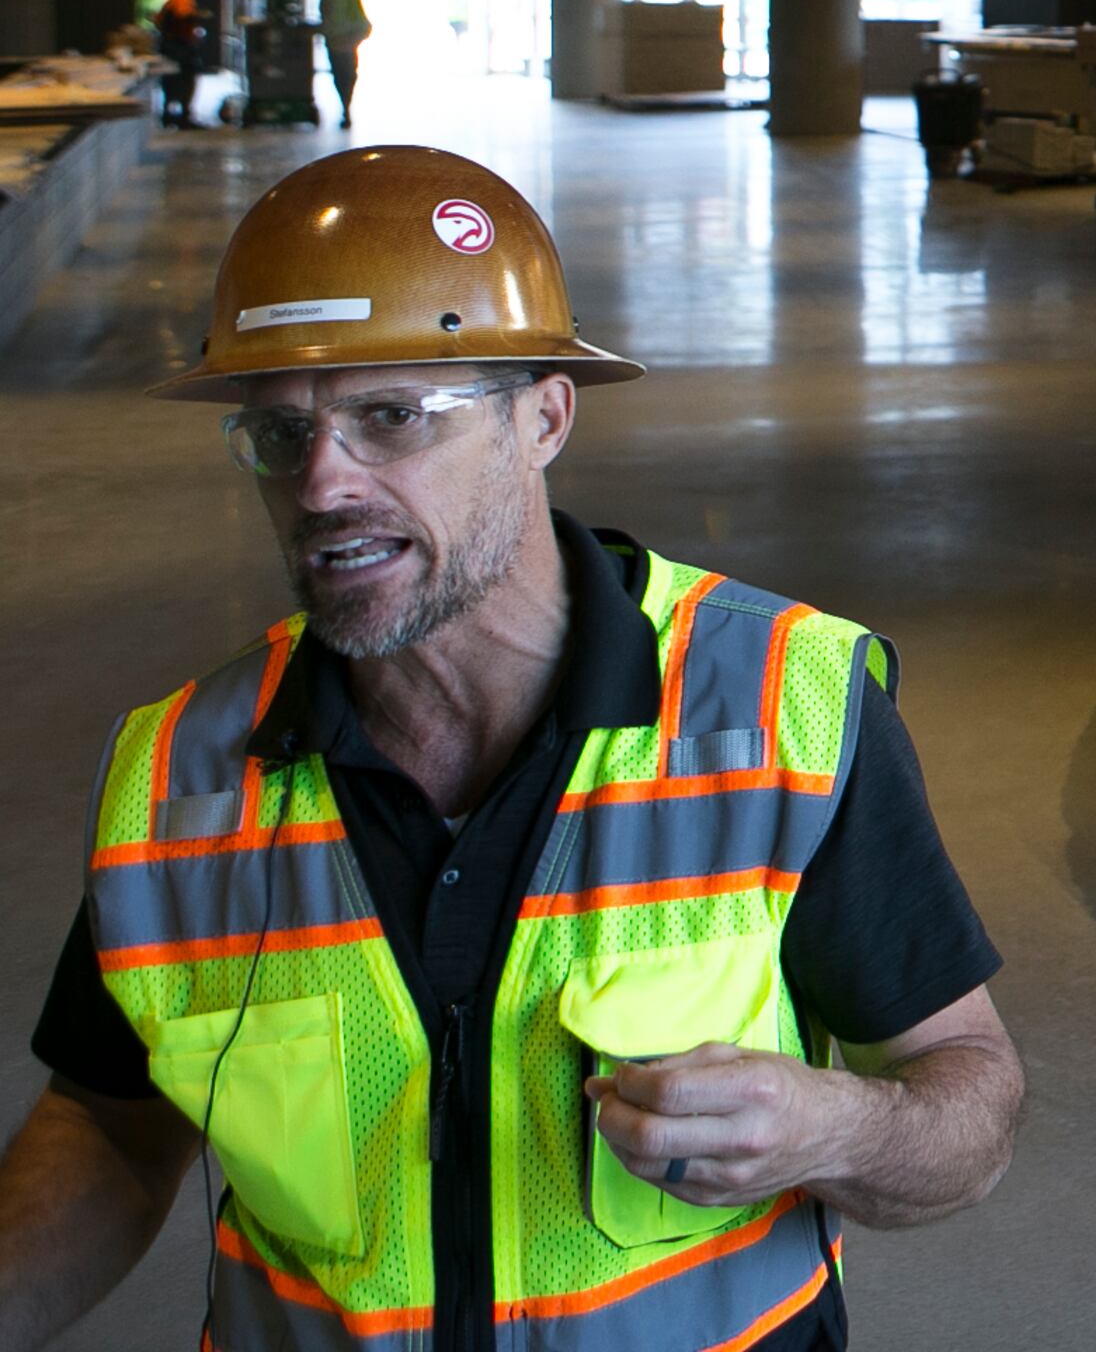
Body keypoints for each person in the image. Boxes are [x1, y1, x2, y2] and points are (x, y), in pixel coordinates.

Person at [0, 147, 1023, 1352]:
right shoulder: (182, 780)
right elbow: (113, 1128)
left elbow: (967, 1093)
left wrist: (836, 1128)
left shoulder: (778, 712)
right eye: (279, 433)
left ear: (543, 416)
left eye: (391, 418)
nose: (323, 481)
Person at [151, 0, 212, 131]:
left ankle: (168, 115)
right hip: (181, 46)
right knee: (187, 79)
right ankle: (184, 116)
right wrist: (199, 16)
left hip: (170, 45)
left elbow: (157, 20)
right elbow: (183, 15)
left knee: (170, 81)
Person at [316, 0, 372, 128]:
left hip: (338, 40)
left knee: (342, 75)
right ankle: (346, 107)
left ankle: (346, 107)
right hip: (350, 39)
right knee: (348, 73)